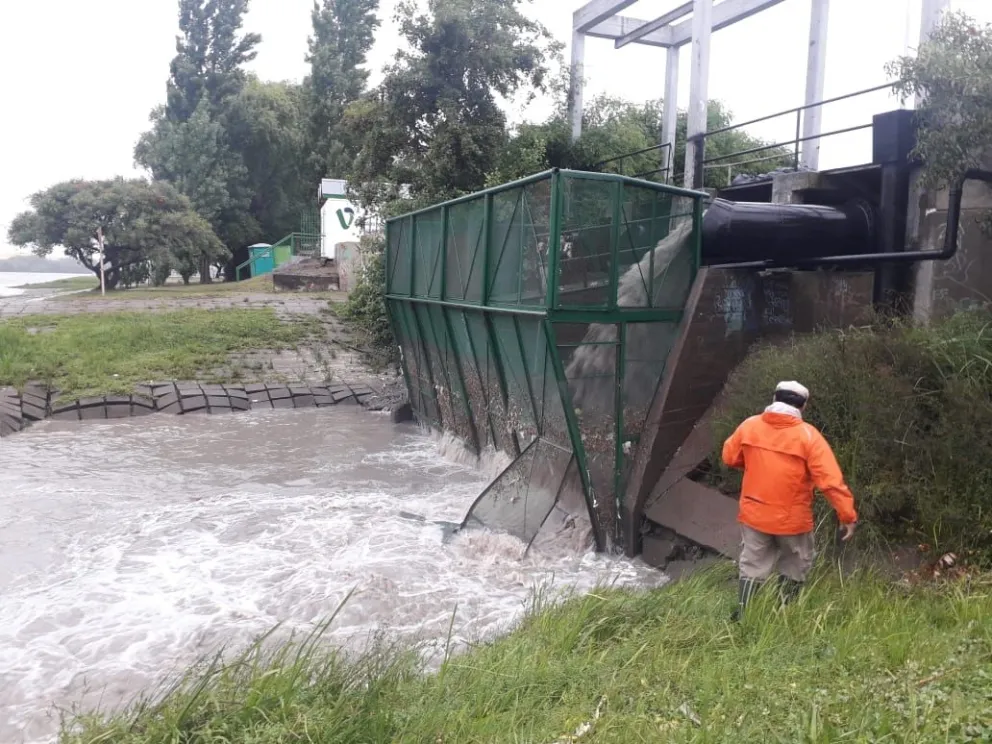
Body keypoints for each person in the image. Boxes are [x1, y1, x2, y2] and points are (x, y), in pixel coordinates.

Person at [721, 381, 857, 621]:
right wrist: (847, 515)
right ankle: (782, 615)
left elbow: (730, 457)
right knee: (796, 563)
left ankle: (743, 615)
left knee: (752, 563)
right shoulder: (809, 436)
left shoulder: (750, 426)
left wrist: (754, 465)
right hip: (792, 520)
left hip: (754, 513)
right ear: (803, 405)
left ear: (774, 397)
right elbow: (830, 481)